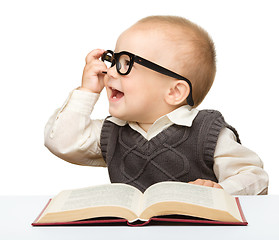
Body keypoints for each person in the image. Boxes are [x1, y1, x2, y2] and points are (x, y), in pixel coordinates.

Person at [44, 15, 268, 194]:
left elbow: (254, 177)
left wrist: (220, 190)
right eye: (114, 60)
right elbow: (63, 142)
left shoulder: (206, 132)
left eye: (126, 64)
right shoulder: (112, 131)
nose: (109, 72)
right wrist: (87, 91)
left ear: (174, 92)